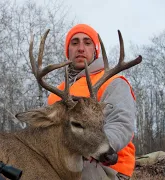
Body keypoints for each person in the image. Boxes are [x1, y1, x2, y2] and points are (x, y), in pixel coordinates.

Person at [47, 24, 137, 180]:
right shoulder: (56, 93)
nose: (81, 48)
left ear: (96, 50)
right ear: (67, 51)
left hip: (106, 167)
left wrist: (94, 148)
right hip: (62, 165)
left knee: (82, 167)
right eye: (74, 43)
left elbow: (121, 123)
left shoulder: (112, 83)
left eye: (87, 43)